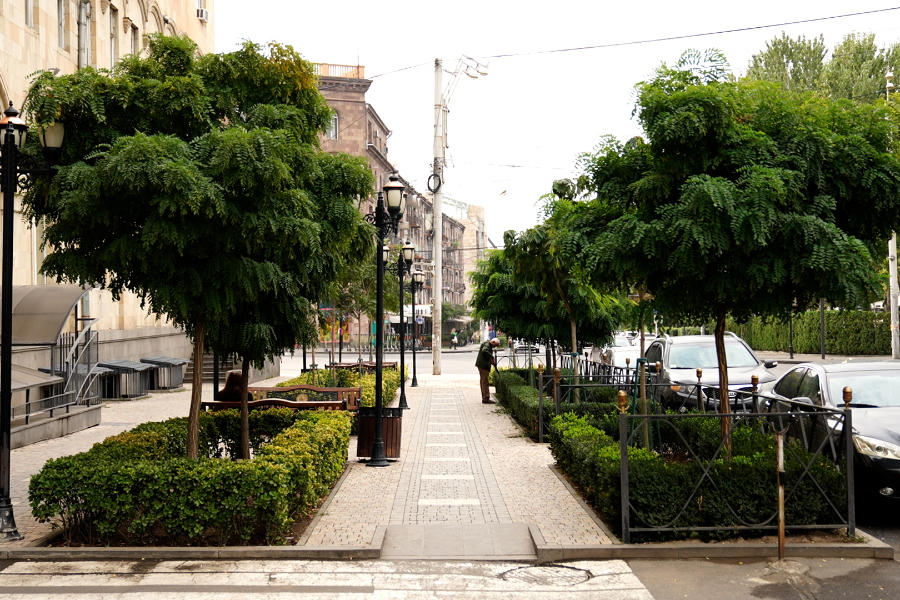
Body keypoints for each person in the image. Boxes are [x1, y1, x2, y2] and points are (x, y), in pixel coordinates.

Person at [475, 338, 500, 404]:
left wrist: (491, 362)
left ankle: (484, 397)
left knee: (483, 381)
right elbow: (484, 351)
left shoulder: (487, 344)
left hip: (482, 365)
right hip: (483, 366)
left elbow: (485, 355)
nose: (495, 347)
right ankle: (486, 398)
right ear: (493, 342)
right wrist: (491, 357)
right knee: (485, 382)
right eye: (495, 345)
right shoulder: (487, 344)